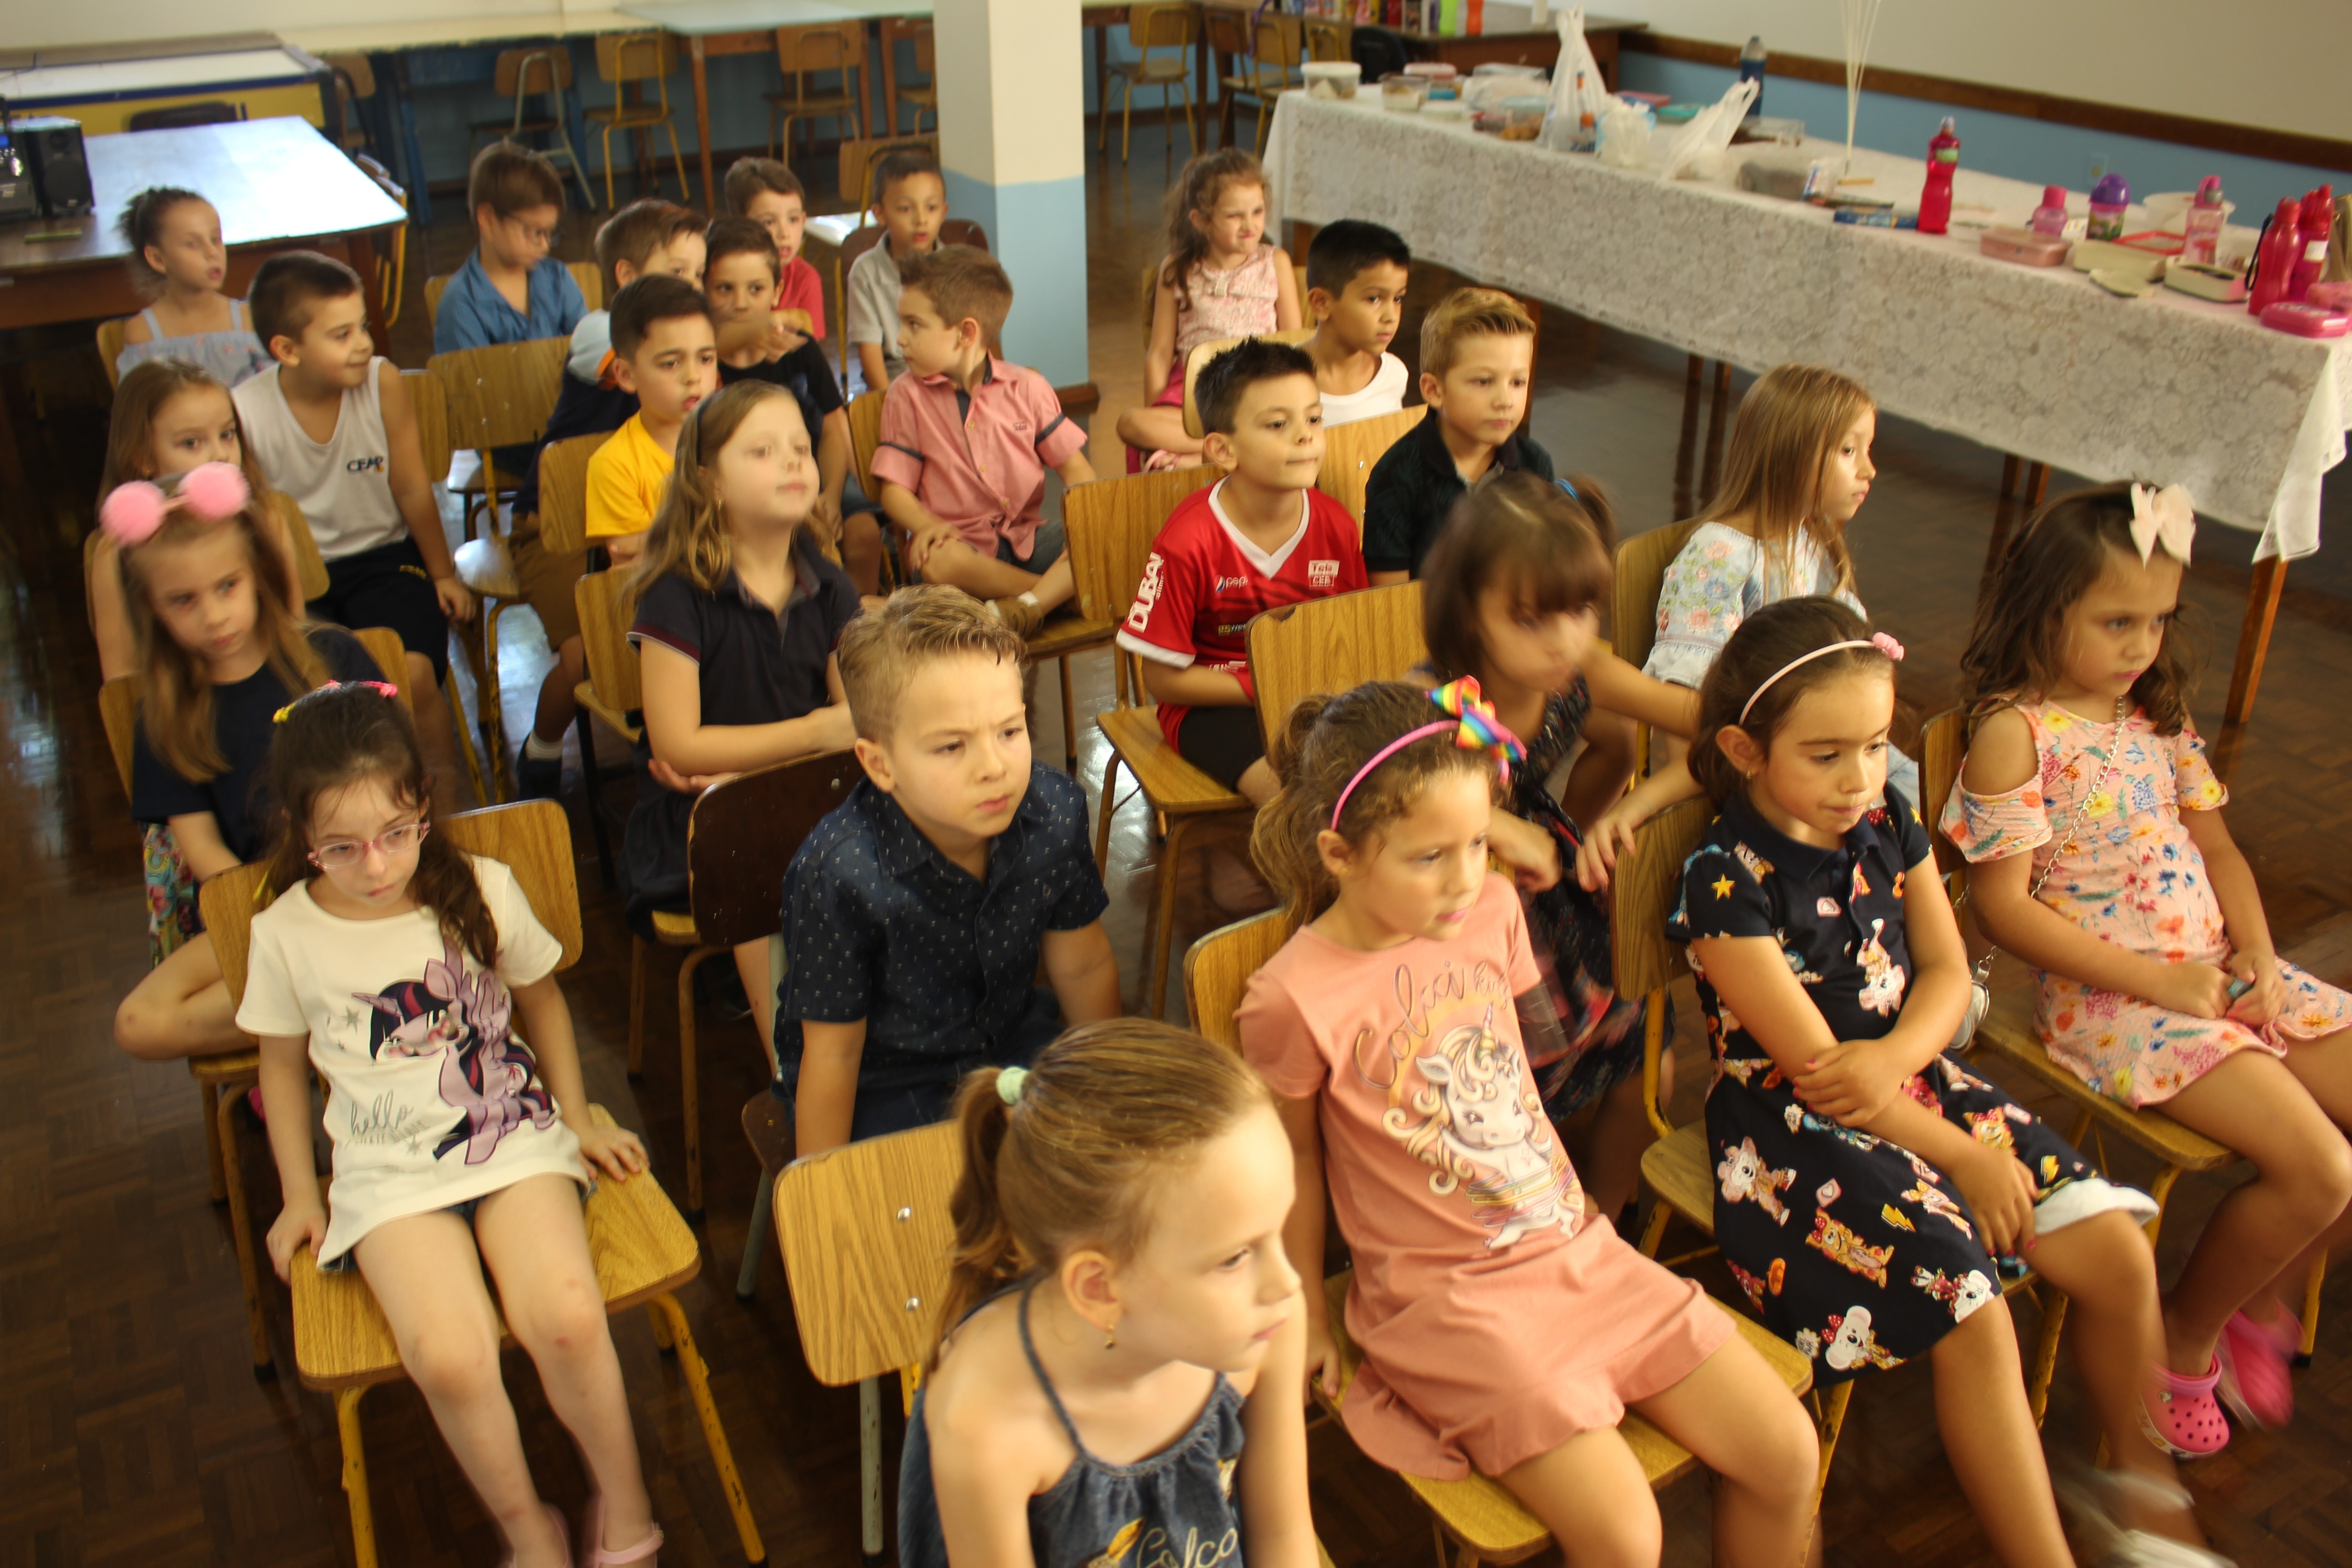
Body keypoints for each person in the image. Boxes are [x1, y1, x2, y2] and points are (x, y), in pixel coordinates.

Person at [1670, 597, 2223, 1566]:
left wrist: (1898, 1058)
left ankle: (2146, 1506)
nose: (1859, 777)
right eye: (1825, 754)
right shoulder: (1726, 880)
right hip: (1793, 1135)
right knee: (1973, 1308)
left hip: (1916, 1083)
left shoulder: (1886, 814)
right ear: (1745, 750)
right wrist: (1963, 1157)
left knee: (2117, 1254)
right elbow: (1819, 1077)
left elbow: (1946, 972)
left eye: (1873, 745)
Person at [1238, 680, 1820, 1568]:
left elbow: (1507, 1075)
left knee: (1785, 1452)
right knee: (1625, 1536)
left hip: (1571, 1251)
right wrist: (1306, 1312)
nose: (1464, 877)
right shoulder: (1289, 997)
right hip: (1446, 1304)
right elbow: (1293, 1163)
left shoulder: (1491, 909)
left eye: (1479, 842)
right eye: (1429, 857)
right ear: (1340, 855)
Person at [1946, 482, 2352, 1444]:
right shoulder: (2015, 734)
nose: (2142, 646)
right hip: (2116, 1007)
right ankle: (2184, 1335)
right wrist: (2163, 984)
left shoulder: (2155, 720)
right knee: (2323, 1167)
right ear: (2043, 611)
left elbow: (2220, 851)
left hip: (2214, 973)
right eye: (2117, 621)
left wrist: (2256, 952)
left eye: (2158, 621)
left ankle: (2258, 1296)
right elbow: (2002, 909)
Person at [242, 682, 660, 1568]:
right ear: (299, 832)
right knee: (448, 1356)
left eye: (397, 833)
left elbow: (543, 1002)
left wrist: (577, 1117)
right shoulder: (283, 932)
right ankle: (529, 1533)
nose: (376, 865)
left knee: (568, 1316)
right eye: (341, 848)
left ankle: (626, 1512)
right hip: (387, 1179)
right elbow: (278, 1068)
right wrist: (299, 1194)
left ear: (422, 805)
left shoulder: (480, 887)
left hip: (511, 1139)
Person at [902, 1020, 1315, 1568]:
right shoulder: (986, 1427)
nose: (1288, 1283)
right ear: (1099, 1289)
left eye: (1279, 1229)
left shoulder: (1269, 1324)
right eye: (1235, 1257)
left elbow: (1285, 1537)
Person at [1415, 473, 1703, 1218]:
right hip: (1455, 923)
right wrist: (1488, 823)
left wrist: (1631, 805)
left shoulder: (1580, 671)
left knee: (1647, 1058)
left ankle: (1601, 1227)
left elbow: (1711, 726)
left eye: (1579, 611)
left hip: (1546, 901)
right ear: (1467, 613)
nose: (1564, 640)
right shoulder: (1436, 703)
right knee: (1499, 1102)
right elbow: (1361, 789)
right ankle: (1524, 1229)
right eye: (1529, 619)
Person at [776, 587, 1119, 1153]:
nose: (993, 767)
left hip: (1013, 1044)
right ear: (879, 765)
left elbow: (1083, 967)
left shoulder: (1054, 812)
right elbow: (834, 1056)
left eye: (1010, 731)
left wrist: (1109, 1096)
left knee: (1089, 1162)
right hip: (886, 1078)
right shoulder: (837, 874)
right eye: (951, 747)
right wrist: (825, 1189)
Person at [108, 466, 387, 1062]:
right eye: (183, 600)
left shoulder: (333, 655)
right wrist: (276, 913)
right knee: (138, 1023)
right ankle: (343, 1009)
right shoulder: (163, 715)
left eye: (227, 586)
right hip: (266, 909)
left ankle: (314, 1017)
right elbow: (204, 850)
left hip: (372, 880)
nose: (213, 616)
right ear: (153, 608)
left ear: (258, 572)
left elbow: (398, 782)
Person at [625, 381, 861, 1057]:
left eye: (800, 448)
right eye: (762, 451)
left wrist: (828, 735)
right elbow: (680, 745)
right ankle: (796, 1072)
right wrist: (817, 732)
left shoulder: (828, 582)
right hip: (704, 815)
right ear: (709, 482)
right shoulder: (676, 592)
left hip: (810, 791)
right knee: (770, 865)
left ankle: (883, 1040)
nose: (792, 462)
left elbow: (860, 713)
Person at [234, 250, 472, 818]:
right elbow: (256, 523)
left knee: (414, 674)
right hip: (298, 572)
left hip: (385, 557)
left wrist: (442, 572)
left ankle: (444, 812)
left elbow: (412, 488)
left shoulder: (381, 382)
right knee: (310, 688)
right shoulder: (245, 411)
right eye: (342, 335)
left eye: (363, 326)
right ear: (287, 350)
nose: (364, 343)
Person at [1637, 364, 1916, 808]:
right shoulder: (1720, 557)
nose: (1870, 470)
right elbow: (1688, 710)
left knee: (1923, 799)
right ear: (1790, 455)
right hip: (1768, 777)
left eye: (1867, 450)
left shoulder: (1813, 542)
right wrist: (1695, 810)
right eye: (1848, 450)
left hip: (1831, 753)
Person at [1116, 338, 1363, 806]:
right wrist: (1263, 684)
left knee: (1381, 778)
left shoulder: (1337, 525)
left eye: (1314, 419)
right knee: (1296, 799)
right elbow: (1162, 680)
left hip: (1312, 697)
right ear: (1223, 450)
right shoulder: (1188, 540)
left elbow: (1349, 639)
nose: (1306, 437)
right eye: (1278, 424)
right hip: (1211, 708)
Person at [873, 247, 1094, 638]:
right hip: (960, 552)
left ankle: (1027, 606)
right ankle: (1048, 598)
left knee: (1109, 539)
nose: (899, 339)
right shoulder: (905, 396)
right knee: (937, 561)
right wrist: (925, 524)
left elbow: (1075, 467)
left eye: (914, 324)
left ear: (966, 333)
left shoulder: (1028, 387)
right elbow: (894, 490)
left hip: (1028, 541)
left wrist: (1090, 520)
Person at [88, 358, 300, 681]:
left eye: (227, 435)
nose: (220, 455)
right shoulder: (116, 552)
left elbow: (293, 631)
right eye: (191, 443)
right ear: (142, 457)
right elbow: (122, 676)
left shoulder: (267, 520)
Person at [702, 216, 881, 592]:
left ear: (777, 290)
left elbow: (833, 429)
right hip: (744, 491)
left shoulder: (799, 347)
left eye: (756, 288)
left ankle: (859, 623)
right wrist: (754, 330)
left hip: (815, 472)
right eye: (724, 288)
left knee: (864, 536)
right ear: (703, 288)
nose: (740, 303)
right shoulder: (702, 362)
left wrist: (831, 495)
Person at [1117, 149, 1301, 471]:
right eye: (1234, 216)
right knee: (1131, 424)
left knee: (1276, 421)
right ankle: (1230, 449)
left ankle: (1199, 457)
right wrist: (1157, 418)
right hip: (1192, 397)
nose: (1250, 225)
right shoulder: (1177, 269)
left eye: (1258, 212)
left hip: (1256, 392)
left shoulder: (1276, 263)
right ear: (1201, 221)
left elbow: (1295, 344)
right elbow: (1160, 354)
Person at [1363, 287, 1552, 583]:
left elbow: (1546, 575)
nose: (1505, 400)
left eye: (1518, 382)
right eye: (1484, 381)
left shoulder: (1535, 464)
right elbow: (1390, 601)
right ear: (1434, 390)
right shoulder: (1396, 475)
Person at [584, 277, 718, 569]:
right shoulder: (615, 465)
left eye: (706, 359)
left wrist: (664, 542)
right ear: (626, 375)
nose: (693, 377)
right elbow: (634, 570)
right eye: (671, 363)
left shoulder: (734, 439)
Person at [432, 141, 586, 356]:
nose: (545, 245)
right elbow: (472, 376)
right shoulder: (461, 304)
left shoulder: (558, 279)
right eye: (534, 232)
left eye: (550, 233)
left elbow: (590, 353)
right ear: (488, 220)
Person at [109, 187, 275, 387]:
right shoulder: (143, 334)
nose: (212, 253)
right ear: (158, 259)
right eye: (192, 244)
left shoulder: (251, 320)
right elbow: (139, 403)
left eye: (215, 239)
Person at [564, 199, 708, 392]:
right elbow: (652, 356)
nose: (695, 286)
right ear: (628, 276)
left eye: (699, 274)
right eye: (678, 271)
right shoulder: (596, 331)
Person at [846, 148, 949, 393]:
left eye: (931, 207)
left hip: (950, 377)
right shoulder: (866, 272)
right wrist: (891, 403)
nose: (921, 219)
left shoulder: (955, 267)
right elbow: (870, 352)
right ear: (880, 214)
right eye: (905, 209)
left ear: (944, 212)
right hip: (897, 382)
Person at [1301, 219, 1411, 426]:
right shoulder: (1279, 381)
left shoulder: (1394, 375)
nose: (1391, 316)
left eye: (1398, 299)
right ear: (1321, 303)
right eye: (1374, 299)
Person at [723, 156, 825, 343]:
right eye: (769, 222)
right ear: (740, 225)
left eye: (793, 219)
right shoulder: (723, 277)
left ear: (804, 221)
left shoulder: (806, 279)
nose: (784, 234)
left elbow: (809, 351)